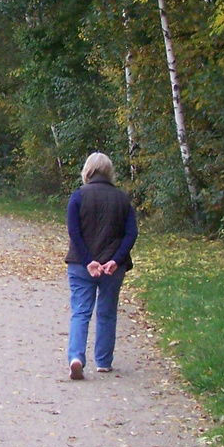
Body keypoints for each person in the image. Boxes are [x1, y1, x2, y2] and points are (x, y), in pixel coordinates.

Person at [64, 151, 137, 381]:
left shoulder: (78, 196)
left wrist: (88, 261)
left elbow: (74, 231)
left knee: (80, 312)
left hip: (81, 265)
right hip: (112, 268)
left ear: (87, 172)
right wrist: (116, 259)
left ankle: (76, 358)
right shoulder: (122, 199)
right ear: (109, 172)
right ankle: (104, 361)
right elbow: (131, 233)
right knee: (107, 313)